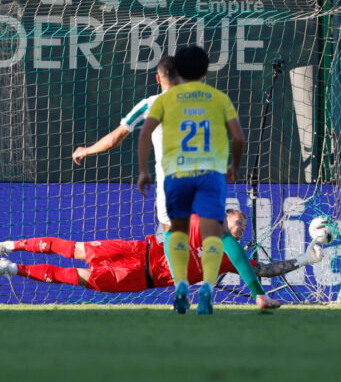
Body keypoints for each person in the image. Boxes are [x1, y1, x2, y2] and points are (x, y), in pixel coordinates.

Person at [73, 56, 276, 309]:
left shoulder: (150, 104)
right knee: (223, 234)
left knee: (171, 232)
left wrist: (87, 150)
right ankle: (258, 294)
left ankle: (181, 290)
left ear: (158, 78)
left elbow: (116, 138)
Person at [0, 209, 322, 295]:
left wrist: (305, 259)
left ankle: (11, 269)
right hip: (136, 249)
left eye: (243, 228)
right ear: (226, 217)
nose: (241, 229)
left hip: (139, 277)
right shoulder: (200, 221)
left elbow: (263, 270)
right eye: (238, 223)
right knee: (73, 250)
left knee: (74, 278)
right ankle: (9, 245)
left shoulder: (229, 258)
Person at [137, 45, 245, 314]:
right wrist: (235, 166)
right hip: (209, 176)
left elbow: (144, 135)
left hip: (177, 175)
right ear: (206, 72)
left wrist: (143, 170)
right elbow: (239, 138)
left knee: (176, 232)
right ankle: (207, 287)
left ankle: (181, 287)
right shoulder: (218, 99)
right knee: (213, 235)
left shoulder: (164, 101)